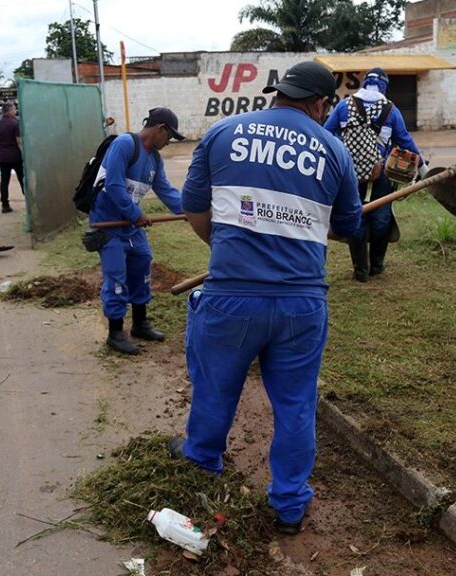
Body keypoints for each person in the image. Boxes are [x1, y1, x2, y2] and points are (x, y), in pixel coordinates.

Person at [171, 61, 363, 535]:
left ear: (280, 93)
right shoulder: (334, 150)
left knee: (216, 387)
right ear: (320, 103)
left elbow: (193, 207)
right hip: (301, 305)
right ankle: (290, 504)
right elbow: (350, 226)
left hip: (231, 298)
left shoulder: (223, 133)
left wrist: (225, 251)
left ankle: (201, 465)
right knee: (296, 403)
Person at [89, 107, 185, 355]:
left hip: (130, 227)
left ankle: (140, 323)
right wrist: (136, 214)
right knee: (116, 276)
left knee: (142, 262)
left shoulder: (154, 158)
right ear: (160, 129)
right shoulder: (124, 144)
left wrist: (188, 211)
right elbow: (114, 186)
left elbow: (166, 190)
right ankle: (116, 332)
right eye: (169, 136)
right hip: (108, 224)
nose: (168, 142)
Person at [324, 68, 424, 282]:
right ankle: (376, 266)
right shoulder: (390, 110)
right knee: (382, 217)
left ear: (364, 83)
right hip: (381, 175)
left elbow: (326, 134)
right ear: (384, 86)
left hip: (349, 173)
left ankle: (360, 271)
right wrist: (422, 166)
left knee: (355, 215)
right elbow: (404, 141)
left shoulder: (344, 106)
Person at [0, 102, 24, 213]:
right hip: (16, 156)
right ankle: (29, 202)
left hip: (3, 157)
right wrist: (23, 155)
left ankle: (5, 204)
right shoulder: (16, 123)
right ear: (10, 110)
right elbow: (19, 141)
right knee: (22, 179)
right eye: (14, 109)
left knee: (4, 181)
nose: (15, 111)